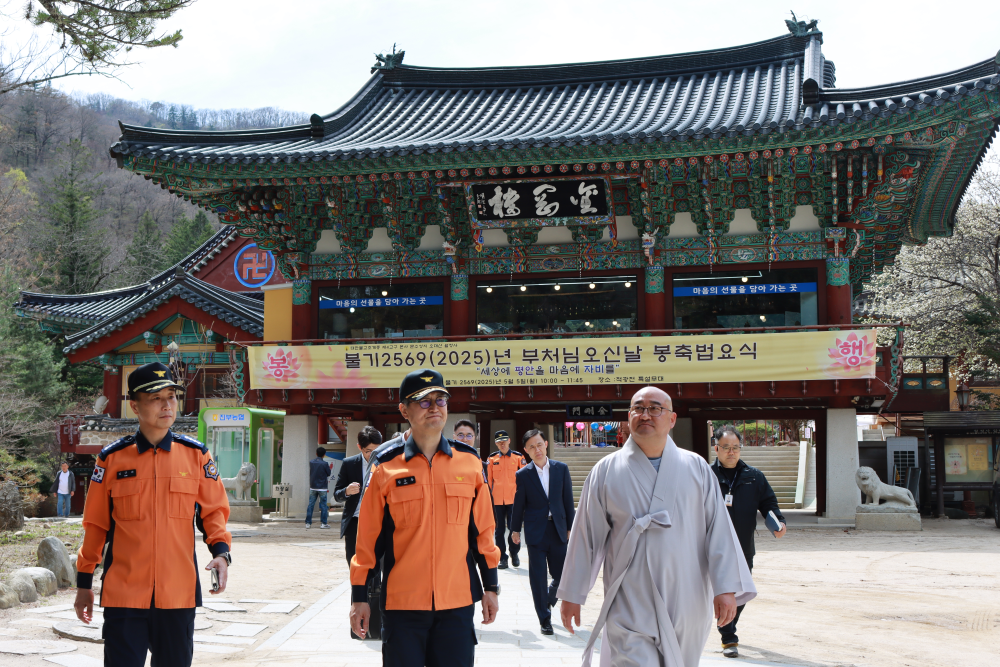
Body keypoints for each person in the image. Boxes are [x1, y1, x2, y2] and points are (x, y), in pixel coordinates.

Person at [558, 386, 755, 667]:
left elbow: (718, 531)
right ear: (628, 417)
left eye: (655, 408)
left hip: (687, 595)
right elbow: (586, 537)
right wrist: (572, 594)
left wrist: (725, 588)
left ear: (672, 419)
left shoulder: (696, 467)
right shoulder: (605, 470)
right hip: (629, 597)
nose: (645, 414)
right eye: (638, 408)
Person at [74, 362, 231, 667]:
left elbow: (213, 511)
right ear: (135, 406)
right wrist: (84, 584)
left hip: (178, 593)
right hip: (124, 594)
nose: (166, 405)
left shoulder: (196, 456)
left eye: (171, 397)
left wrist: (221, 554)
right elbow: (95, 525)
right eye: (155, 398)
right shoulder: (111, 460)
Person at [349, 369, 500, 667]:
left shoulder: (470, 462)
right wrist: (359, 596)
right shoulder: (385, 465)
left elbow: (483, 532)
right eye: (424, 401)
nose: (434, 408)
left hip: (457, 604)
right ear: (404, 410)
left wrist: (491, 587)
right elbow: (368, 539)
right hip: (402, 605)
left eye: (440, 400)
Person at [711, 425, 786, 659]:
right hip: (713, 546)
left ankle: (727, 625)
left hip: (743, 545)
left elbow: (769, 504)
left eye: (736, 447)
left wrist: (779, 522)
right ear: (716, 448)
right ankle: (728, 637)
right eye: (726, 447)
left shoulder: (754, 476)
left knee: (741, 590)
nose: (731, 452)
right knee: (720, 590)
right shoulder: (706, 476)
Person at [510, 429, 574, 635]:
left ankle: (547, 599)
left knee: (563, 575)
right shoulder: (523, 474)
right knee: (538, 577)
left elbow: (567, 500)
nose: (536, 449)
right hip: (535, 531)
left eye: (539, 444)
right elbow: (519, 504)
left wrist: (570, 527)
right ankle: (544, 619)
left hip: (558, 528)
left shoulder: (561, 469)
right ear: (526, 450)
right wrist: (514, 529)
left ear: (545, 444)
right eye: (531, 447)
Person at [334, 425, 383, 564]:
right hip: (355, 521)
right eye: (368, 451)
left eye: (376, 450)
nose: (373, 455)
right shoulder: (349, 464)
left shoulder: (386, 462)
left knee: (376, 562)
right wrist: (346, 491)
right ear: (359, 447)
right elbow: (337, 494)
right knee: (354, 561)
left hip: (378, 520)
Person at [487, 430, 526, 569]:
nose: (502, 444)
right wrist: (488, 499)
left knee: (514, 528)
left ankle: (514, 553)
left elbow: (524, 479)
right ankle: (502, 557)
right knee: (499, 531)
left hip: (514, 500)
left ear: (509, 441)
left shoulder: (518, 457)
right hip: (497, 500)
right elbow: (488, 481)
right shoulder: (492, 459)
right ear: (496, 443)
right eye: (499, 442)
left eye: (504, 441)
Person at [306, 447, 332, 529]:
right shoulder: (325, 464)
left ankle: (308, 523)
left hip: (313, 486)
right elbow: (328, 473)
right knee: (323, 505)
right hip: (322, 487)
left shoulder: (311, 462)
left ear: (316, 453)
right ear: (324, 455)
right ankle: (323, 523)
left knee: (311, 505)